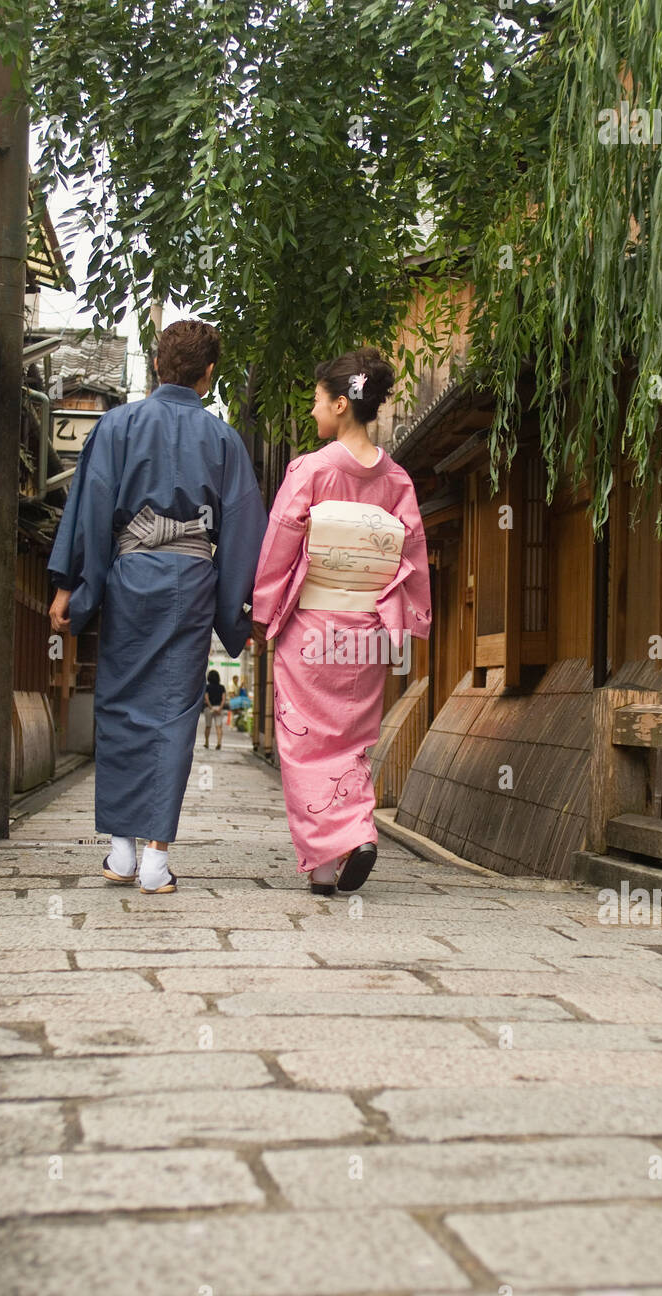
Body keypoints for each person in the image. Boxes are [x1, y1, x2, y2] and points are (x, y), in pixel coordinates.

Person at [48, 319, 266, 893]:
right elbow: (244, 528)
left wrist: (70, 585)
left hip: (128, 575)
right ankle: (154, 861)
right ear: (208, 374)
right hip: (191, 580)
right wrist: (240, 613)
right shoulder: (223, 440)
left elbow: (90, 508)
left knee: (119, 702)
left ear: (159, 364)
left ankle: (120, 852)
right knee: (173, 713)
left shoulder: (116, 425)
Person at [250, 347, 431, 894]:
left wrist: (263, 610)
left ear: (340, 404)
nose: (312, 412)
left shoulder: (310, 469)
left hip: (313, 627)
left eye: (316, 401)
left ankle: (335, 849)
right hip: (368, 632)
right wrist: (408, 621)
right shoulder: (398, 480)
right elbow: (413, 555)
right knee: (349, 742)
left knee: (305, 744)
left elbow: (281, 541)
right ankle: (343, 848)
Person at [203, 667, 227, 750]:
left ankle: (206, 742)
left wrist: (211, 708)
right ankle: (219, 743)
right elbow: (224, 699)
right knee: (219, 727)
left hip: (209, 708)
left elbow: (206, 698)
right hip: (219, 708)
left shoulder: (207, 687)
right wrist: (219, 708)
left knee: (208, 726)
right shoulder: (222, 687)